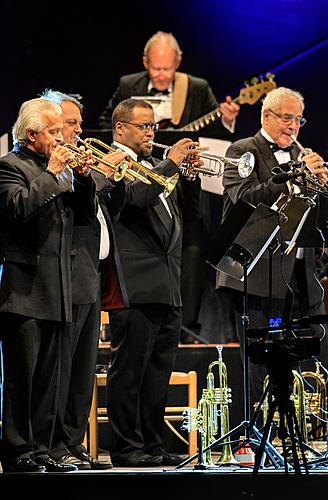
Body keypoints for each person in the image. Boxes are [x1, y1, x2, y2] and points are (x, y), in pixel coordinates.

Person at [98, 31, 240, 341]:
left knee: (188, 249)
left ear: (178, 63)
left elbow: (215, 133)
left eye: (168, 69)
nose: (162, 75)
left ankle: (186, 325)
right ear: (145, 62)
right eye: (156, 69)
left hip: (184, 187)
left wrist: (226, 120)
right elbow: (108, 122)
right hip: (142, 172)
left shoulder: (197, 87)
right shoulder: (128, 85)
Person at [104, 98, 202, 467]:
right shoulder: (115, 164)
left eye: (152, 127)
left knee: (158, 370)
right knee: (130, 370)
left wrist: (189, 177)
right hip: (134, 284)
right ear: (120, 129)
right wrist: (172, 162)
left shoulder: (157, 167)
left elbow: (191, 218)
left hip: (167, 283)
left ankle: (151, 442)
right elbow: (134, 198)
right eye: (143, 126)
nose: (149, 133)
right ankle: (126, 447)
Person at [0, 98, 96, 473]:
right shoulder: (9, 167)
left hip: (60, 288)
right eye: (54, 132)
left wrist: (84, 178)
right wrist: (53, 174)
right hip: (24, 291)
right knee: (23, 377)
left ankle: (43, 447)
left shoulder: (61, 172)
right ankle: (15, 447)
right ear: (30, 134)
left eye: (62, 130)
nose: (62, 138)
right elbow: (18, 209)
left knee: (51, 378)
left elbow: (85, 217)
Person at [216, 86, 328, 407]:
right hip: (256, 274)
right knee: (259, 353)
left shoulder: (300, 155)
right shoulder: (242, 150)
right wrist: (293, 177)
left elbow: (311, 218)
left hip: (297, 276)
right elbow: (244, 198)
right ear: (267, 116)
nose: (293, 126)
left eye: (299, 120)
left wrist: (318, 188)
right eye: (287, 118)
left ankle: (297, 425)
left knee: (298, 350)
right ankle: (256, 434)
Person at [40, 89, 128, 470]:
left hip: (91, 274)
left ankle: (73, 441)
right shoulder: (52, 166)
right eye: (69, 124)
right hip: (64, 276)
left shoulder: (80, 165)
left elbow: (106, 212)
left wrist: (108, 175)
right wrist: (91, 175)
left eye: (76, 123)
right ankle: (55, 443)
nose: (77, 131)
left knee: (82, 367)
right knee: (60, 367)